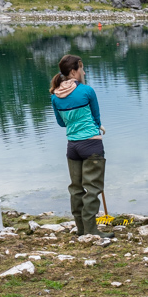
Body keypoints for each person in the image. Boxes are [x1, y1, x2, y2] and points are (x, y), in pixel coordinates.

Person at [50, 54, 105, 236]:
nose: (84, 71)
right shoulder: (87, 91)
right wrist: (96, 126)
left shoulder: (55, 96)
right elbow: (96, 118)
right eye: (82, 68)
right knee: (93, 188)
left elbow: (61, 123)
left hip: (72, 146)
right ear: (74, 71)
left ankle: (81, 229)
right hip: (91, 145)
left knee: (76, 188)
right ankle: (91, 231)